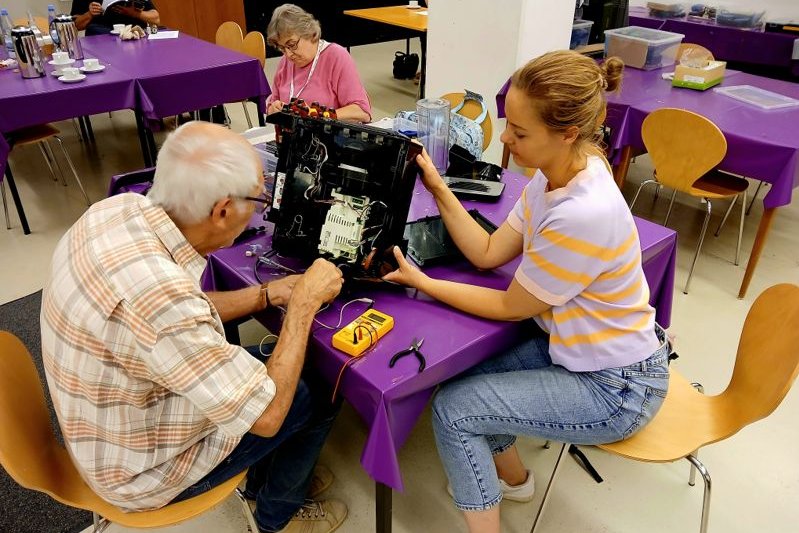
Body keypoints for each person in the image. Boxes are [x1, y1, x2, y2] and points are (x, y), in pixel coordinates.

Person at [384, 50, 670, 533]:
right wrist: (437, 185)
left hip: (617, 386)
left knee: (455, 411)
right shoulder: (557, 172)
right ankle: (515, 481)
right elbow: (488, 252)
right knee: (462, 380)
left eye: (519, 132)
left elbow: (510, 306)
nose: (505, 141)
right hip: (577, 350)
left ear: (567, 133)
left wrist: (423, 282)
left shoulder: (582, 212)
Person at [41, 122, 348, 533]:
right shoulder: (161, 298)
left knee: (284, 366)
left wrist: (266, 294)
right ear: (222, 211)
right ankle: (278, 515)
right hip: (139, 474)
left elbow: (180, 315)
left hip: (116, 421)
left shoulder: (116, 211)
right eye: (259, 200)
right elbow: (268, 416)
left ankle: (267, 480)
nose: (261, 211)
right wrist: (304, 305)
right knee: (321, 389)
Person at [266, 4, 371, 123]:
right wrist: (273, 110)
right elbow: (272, 104)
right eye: (282, 48)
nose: (289, 54)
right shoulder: (285, 62)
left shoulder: (336, 56)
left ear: (309, 33)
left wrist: (320, 116)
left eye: (292, 45)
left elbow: (362, 112)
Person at [71, 0, 160, 36]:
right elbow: (76, 25)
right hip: (102, 39)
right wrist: (89, 14)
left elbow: (156, 19)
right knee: (93, 28)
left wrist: (135, 13)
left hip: (134, 36)